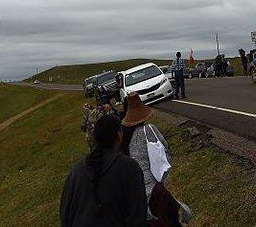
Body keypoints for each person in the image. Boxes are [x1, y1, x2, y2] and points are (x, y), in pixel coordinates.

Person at [60, 114, 147, 227]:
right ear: (119, 135)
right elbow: (138, 216)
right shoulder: (129, 168)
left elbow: (65, 212)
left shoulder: (76, 171)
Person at [121, 94, 191, 226]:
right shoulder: (149, 130)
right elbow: (165, 147)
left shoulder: (123, 138)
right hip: (155, 190)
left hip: (137, 194)